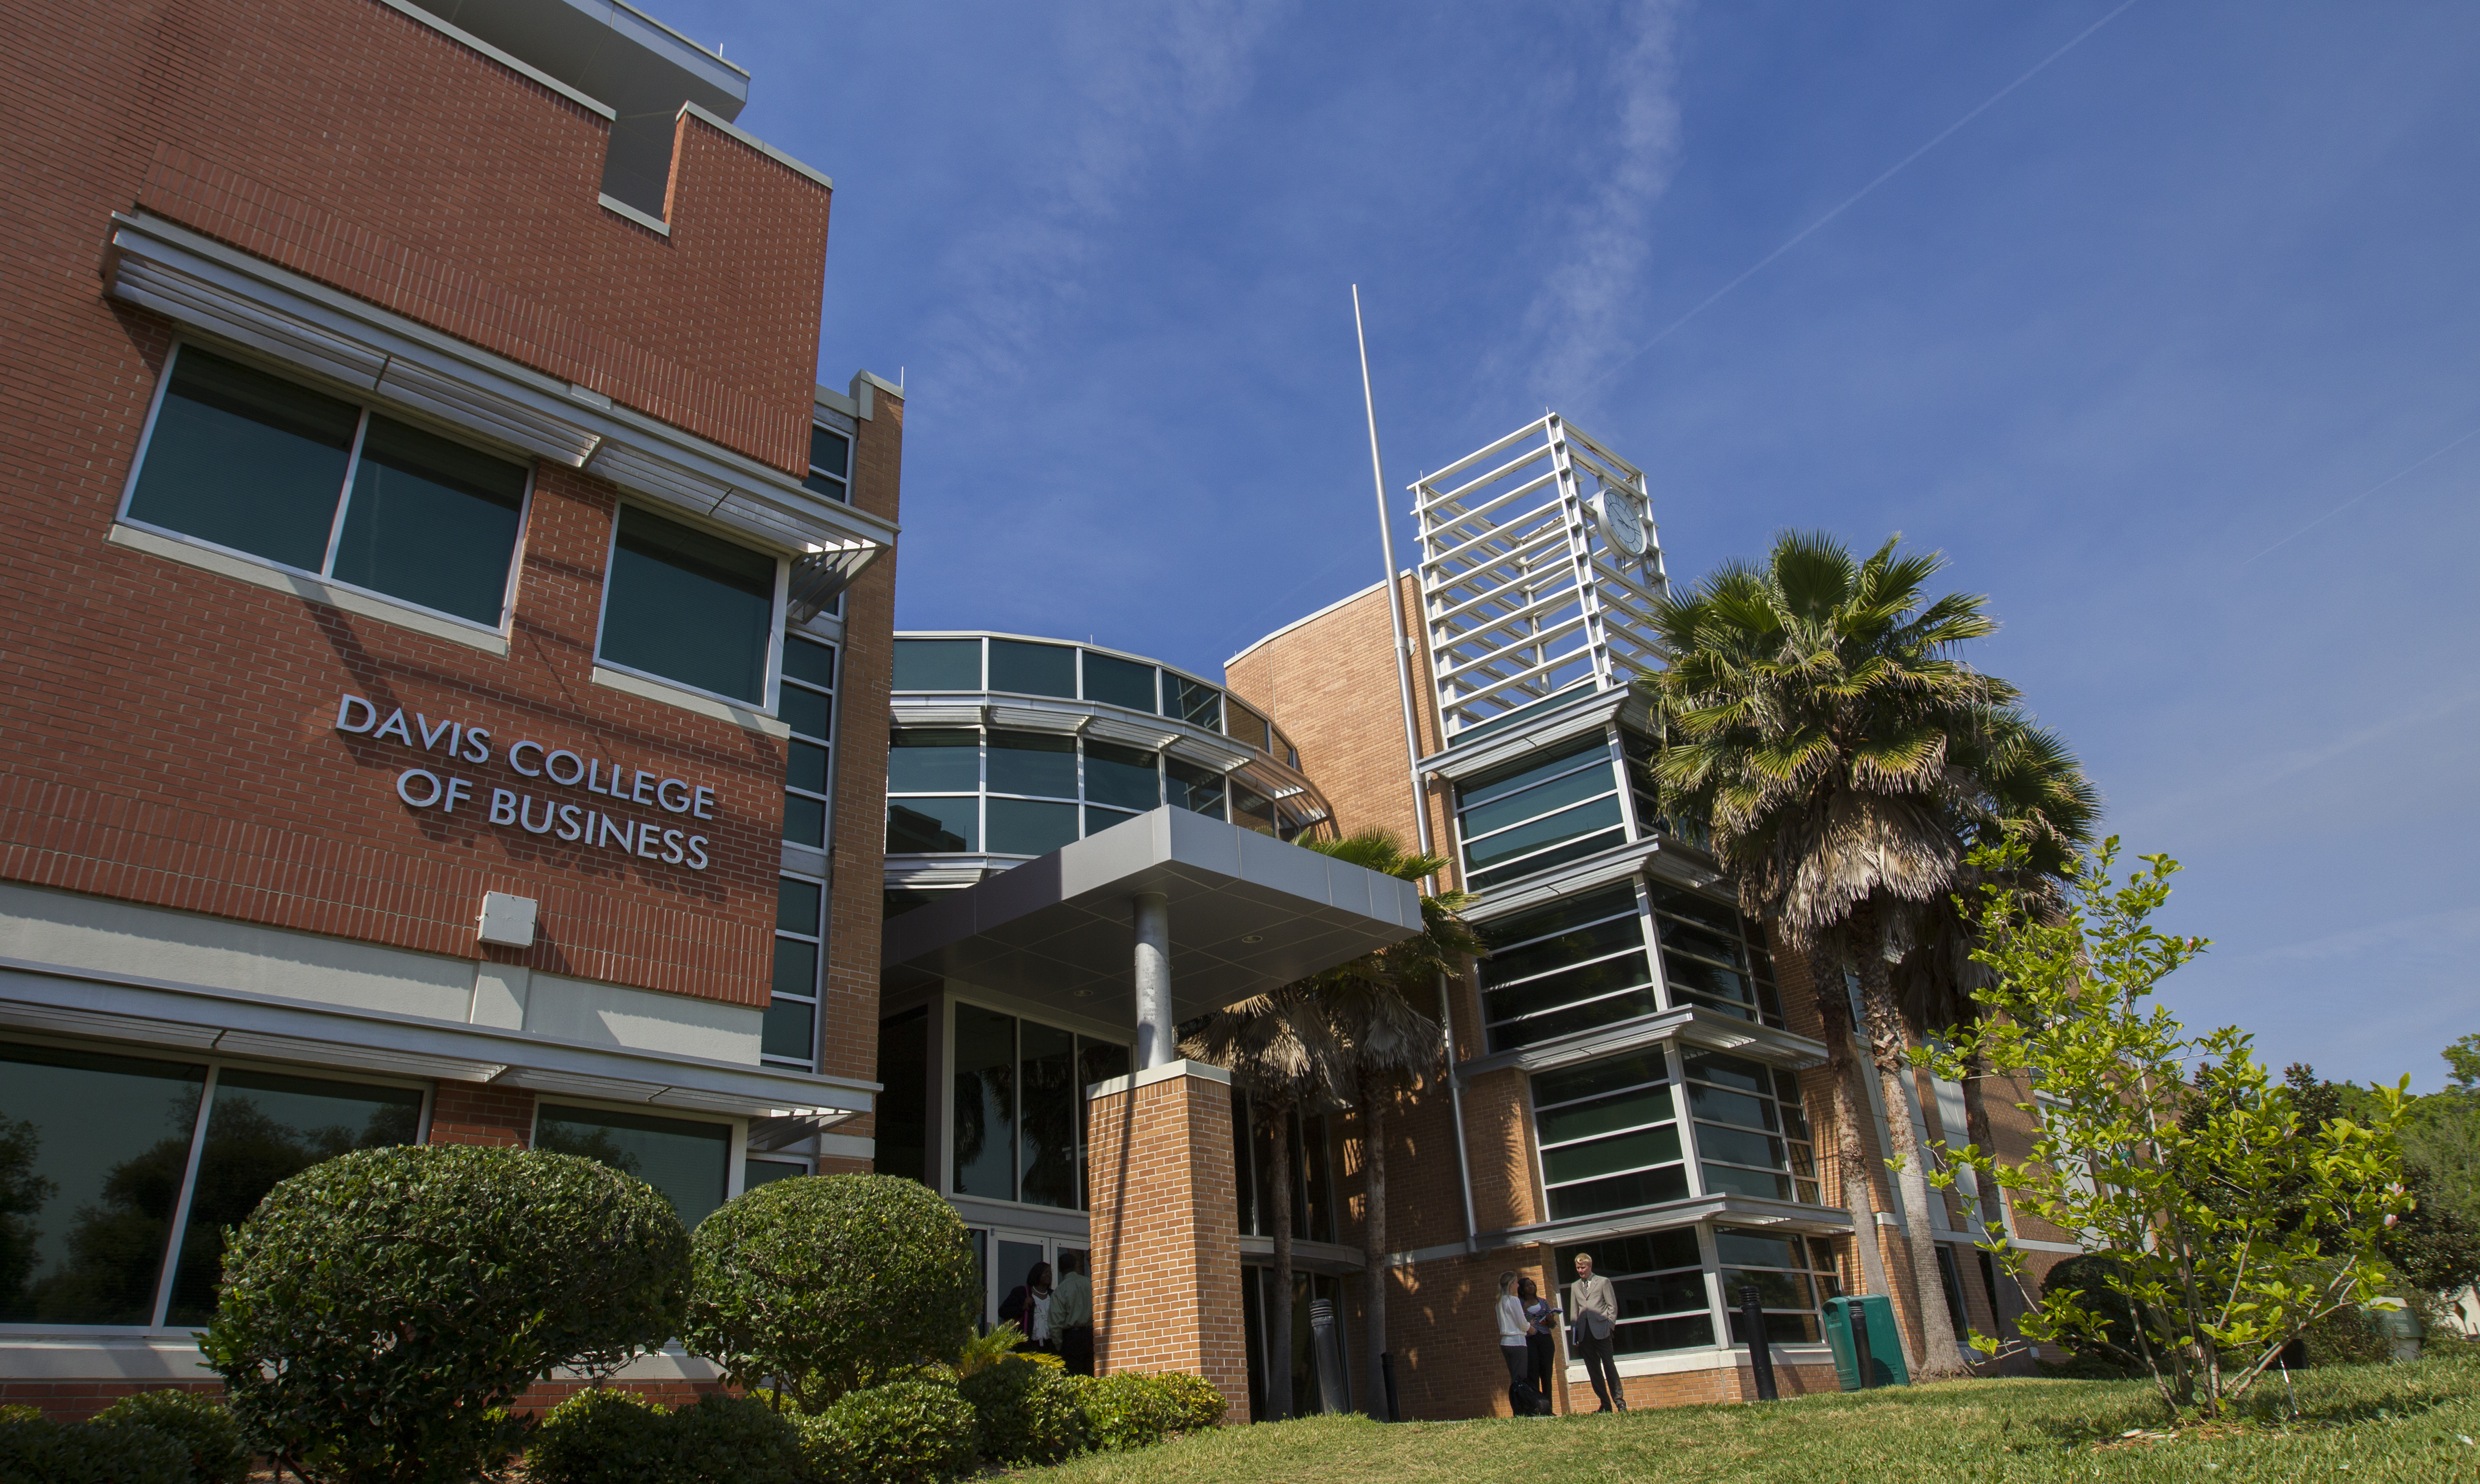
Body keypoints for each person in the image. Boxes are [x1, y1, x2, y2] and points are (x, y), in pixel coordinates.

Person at [1569, 1251, 1625, 1413]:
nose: (1581, 1271)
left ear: (1590, 1266)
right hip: (1585, 1334)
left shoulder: (1603, 1282)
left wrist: (1609, 1327)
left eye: (1583, 1267)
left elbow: (1612, 1307)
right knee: (1594, 1371)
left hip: (1602, 1331)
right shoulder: (1575, 1286)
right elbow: (1574, 1313)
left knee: (1609, 1366)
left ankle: (1620, 1402)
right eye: (1578, 1268)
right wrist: (1575, 1335)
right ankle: (1605, 1404)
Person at [1497, 1270, 1544, 1416]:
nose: (1518, 1285)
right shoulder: (1513, 1300)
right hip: (1517, 1342)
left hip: (1506, 1342)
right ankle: (1522, 1410)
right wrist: (1530, 1327)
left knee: (1515, 1378)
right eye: (1516, 1282)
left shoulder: (1500, 1302)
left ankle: (1518, 1408)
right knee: (1520, 1379)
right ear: (1511, 1285)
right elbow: (1521, 1322)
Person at [1051, 1250, 1095, 1375]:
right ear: (1075, 1266)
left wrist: (1060, 1346)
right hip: (1091, 1334)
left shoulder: (1060, 1291)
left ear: (1060, 1269)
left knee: (1074, 1378)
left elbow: (1055, 1324)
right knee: (1092, 1375)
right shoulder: (1090, 1283)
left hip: (1072, 1338)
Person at [1519, 1276, 1559, 1408]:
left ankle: (1549, 1407)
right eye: (1528, 1285)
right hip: (1530, 1340)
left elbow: (1552, 1325)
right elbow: (1519, 1321)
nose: (1531, 1287)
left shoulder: (1543, 1302)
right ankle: (1537, 1407)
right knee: (1533, 1374)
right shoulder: (1520, 1304)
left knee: (1547, 1375)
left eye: (1533, 1285)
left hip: (1545, 1339)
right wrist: (1524, 1309)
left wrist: (1550, 1319)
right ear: (1522, 1290)